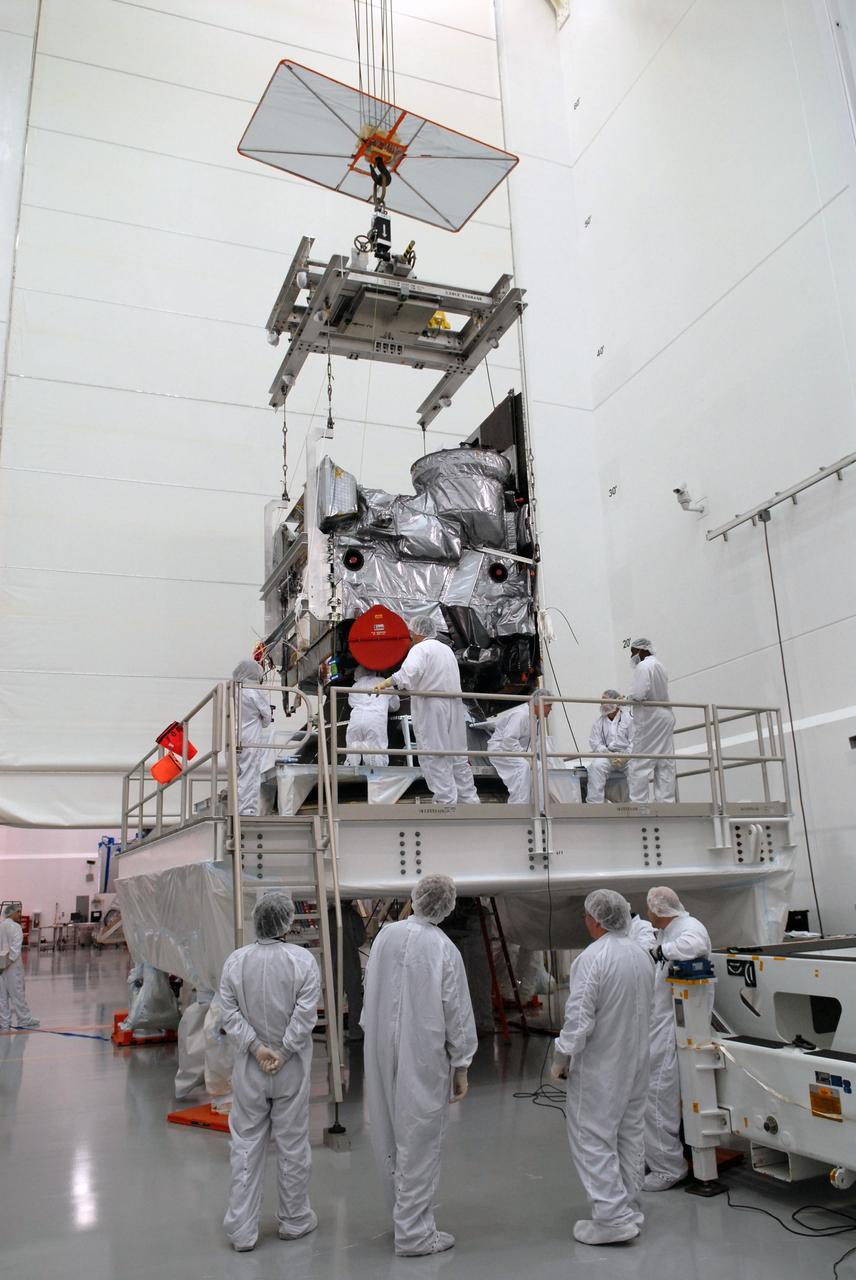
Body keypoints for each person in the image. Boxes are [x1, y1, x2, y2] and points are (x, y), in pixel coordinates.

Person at [361, 874, 477, 1256]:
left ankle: (401, 1218)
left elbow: (369, 989)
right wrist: (461, 1064)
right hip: (422, 1053)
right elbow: (456, 1011)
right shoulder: (444, 948)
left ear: (416, 897)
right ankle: (414, 1234)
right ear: (446, 907)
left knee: (387, 1132)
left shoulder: (385, 936)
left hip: (379, 1048)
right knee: (419, 1138)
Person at [219, 891, 321, 1252]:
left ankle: (243, 1230)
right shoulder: (303, 961)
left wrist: (257, 1048)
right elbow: (306, 1015)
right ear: (287, 922)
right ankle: (294, 1220)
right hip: (290, 1069)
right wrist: (283, 1050)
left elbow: (228, 1014)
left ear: (256, 919)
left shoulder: (236, 962)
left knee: (246, 1146)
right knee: (293, 1146)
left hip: (251, 1069)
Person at [551, 889, 654, 1245]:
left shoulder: (593, 959)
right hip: (638, 1062)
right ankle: (629, 1208)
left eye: (586, 916)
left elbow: (579, 1019)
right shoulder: (641, 954)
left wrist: (562, 1056)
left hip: (602, 1066)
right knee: (630, 1135)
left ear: (596, 919)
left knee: (592, 1137)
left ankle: (611, 1219)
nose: (585, 921)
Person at [644, 886, 712, 1191]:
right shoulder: (667, 930)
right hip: (665, 1025)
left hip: (674, 1028)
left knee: (657, 1097)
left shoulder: (688, 928)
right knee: (657, 1096)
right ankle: (663, 1158)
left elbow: (694, 946)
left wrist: (662, 952)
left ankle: (668, 1168)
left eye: (650, 909)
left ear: (658, 911)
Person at [373, 617, 479, 807]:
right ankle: (470, 802)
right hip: (455, 704)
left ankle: (445, 802)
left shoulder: (420, 649)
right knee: (458, 756)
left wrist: (386, 683)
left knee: (434, 753)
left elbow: (408, 674)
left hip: (433, 705)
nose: (411, 636)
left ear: (419, 632)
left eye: (412, 632)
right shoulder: (446, 650)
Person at [627, 639, 676, 803]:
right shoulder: (660, 666)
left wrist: (628, 698)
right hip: (665, 715)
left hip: (650, 718)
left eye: (633, 652)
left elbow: (639, 694)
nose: (632, 656)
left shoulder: (643, 666)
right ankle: (666, 801)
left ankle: (639, 803)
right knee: (664, 761)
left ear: (641, 651)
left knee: (640, 761)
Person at [486, 690, 554, 805]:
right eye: (549, 706)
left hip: (518, 752)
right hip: (501, 749)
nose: (550, 710)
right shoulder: (521, 715)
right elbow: (508, 740)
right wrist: (525, 756)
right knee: (521, 767)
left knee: (540, 767)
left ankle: (539, 806)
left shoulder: (536, 718)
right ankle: (519, 806)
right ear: (539, 705)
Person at [233, 659, 273, 816]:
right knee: (250, 775)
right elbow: (267, 717)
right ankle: (247, 811)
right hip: (250, 737)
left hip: (234, 736)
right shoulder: (253, 689)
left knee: (238, 775)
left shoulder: (234, 690)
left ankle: (236, 808)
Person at [344, 666, 400, 767]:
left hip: (356, 720)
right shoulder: (383, 682)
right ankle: (374, 768)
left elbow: (351, 703)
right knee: (377, 752)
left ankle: (355, 757)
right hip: (375, 720)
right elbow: (395, 706)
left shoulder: (355, 686)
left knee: (352, 749)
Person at [586, 690, 632, 803]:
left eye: (605, 700)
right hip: (607, 756)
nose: (603, 704)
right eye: (602, 701)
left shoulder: (628, 719)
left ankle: (636, 804)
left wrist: (625, 756)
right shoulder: (598, 723)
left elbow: (635, 741)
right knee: (596, 767)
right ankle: (595, 805)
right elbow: (595, 743)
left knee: (636, 768)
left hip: (627, 757)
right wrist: (608, 754)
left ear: (616, 702)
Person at [0, 906, 38, 1029]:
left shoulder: (0, 925)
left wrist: (1, 965)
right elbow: (15, 949)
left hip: (0, 967)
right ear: (11, 913)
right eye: (18, 912)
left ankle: (4, 1022)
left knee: (2, 997)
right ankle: (24, 1019)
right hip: (12, 967)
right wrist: (8, 962)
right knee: (18, 994)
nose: (20, 914)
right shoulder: (16, 927)